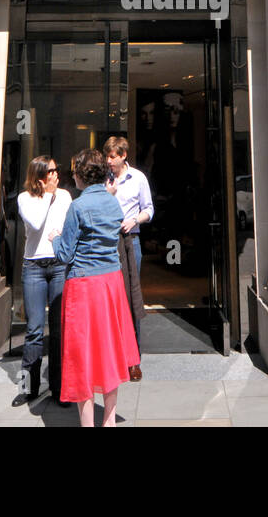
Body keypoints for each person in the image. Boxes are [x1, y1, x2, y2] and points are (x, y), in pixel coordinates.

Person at [50, 149, 139, 427]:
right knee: (110, 351)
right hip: (111, 282)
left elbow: (64, 254)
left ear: (81, 175)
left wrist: (54, 238)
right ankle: (109, 420)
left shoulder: (77, 206)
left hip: (84, 284)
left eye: (75, 170)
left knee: (81, 357)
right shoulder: (114, 204)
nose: (72, 175)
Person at [13, 155, 71, 407]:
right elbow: (36, 224)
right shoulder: (25, 198)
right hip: (34, 266)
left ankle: (61, 388)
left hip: (59, 266)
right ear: (39, 176)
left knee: (58, 330)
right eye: (51, 171)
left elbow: (70, 228)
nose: (56, 175)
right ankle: (28, 388)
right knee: (34, 330)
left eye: (57, 171)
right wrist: (48, 195)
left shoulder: (66, 196)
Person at [104, 135, 152, 367]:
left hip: (131, 240)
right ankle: (113, 355)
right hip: (106, 243)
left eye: (112, 156)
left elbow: (149, 209)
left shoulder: (138, 178)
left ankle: (134, 358)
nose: (109, 161)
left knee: (131, 296)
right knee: (111, 299)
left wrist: (134, 220)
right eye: (107, 156)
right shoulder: (105, 180)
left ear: (123, 156)